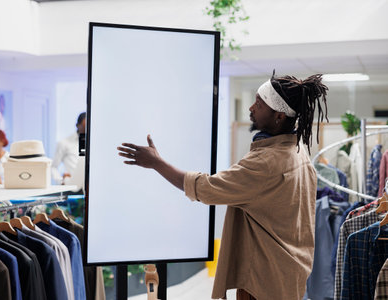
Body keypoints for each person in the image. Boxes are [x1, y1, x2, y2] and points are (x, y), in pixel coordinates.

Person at [117, 72, 329, 300]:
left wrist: (157, 163)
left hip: (263, 281)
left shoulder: (266, 162)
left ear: (278, 116)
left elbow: (205, 188)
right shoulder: (298, 150)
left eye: (258, 104)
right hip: (289, 274)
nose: (250, 108)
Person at [52, 112, 86, 184]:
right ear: (77, 125)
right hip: (72, 187)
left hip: (91, 187)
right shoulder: (64, 143)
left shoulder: (95, 145)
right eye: (84, 127)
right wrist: (61, 181)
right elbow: (53, 167)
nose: (86, 131)